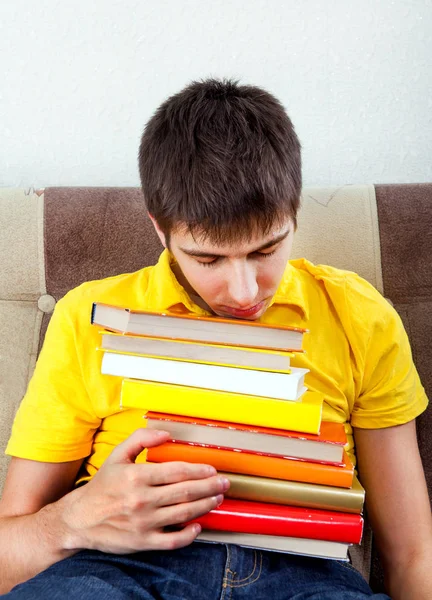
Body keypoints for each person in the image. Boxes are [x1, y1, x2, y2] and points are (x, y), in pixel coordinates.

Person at [0, 79, 430, 600]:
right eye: (208, 260)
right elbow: (7, 558)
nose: (245, 291)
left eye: (267, 249)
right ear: (160, 230)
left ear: (294, 214)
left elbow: (412, 552)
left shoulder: (358, 315)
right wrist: (70, 520)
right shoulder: (91, 318)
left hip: (305, 578)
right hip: (121, 569)